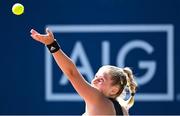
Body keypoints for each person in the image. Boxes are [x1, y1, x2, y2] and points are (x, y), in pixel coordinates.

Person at [30, 28, 138, 116]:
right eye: (96, 76)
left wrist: (51, 44)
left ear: (114, 90)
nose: (94, 80)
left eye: (101, 80)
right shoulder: (123, 110)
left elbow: (72, 73)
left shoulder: (97, 99)